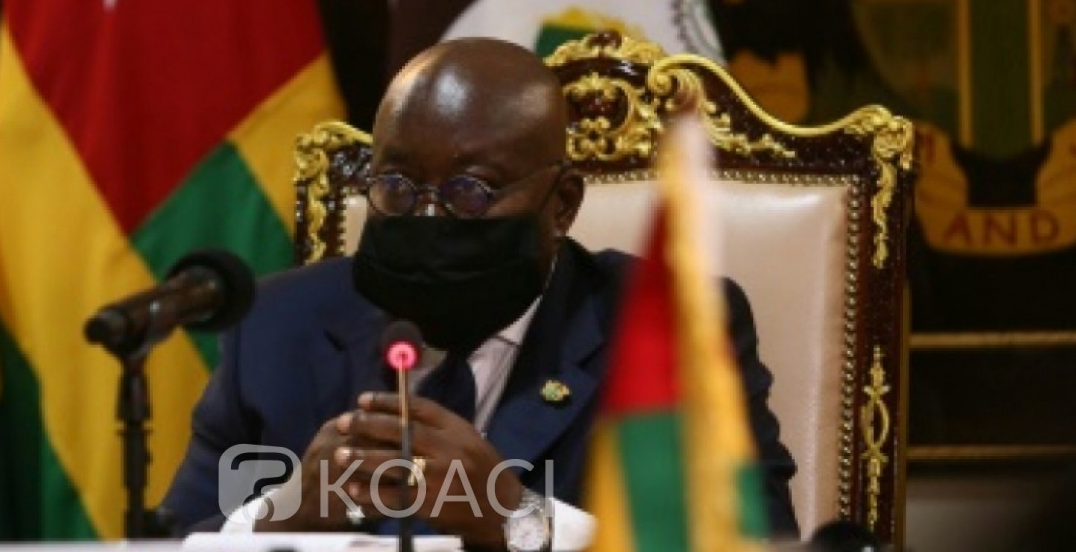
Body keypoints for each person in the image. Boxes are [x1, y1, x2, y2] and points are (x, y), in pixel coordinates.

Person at [162, 37, 799, 549]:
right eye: (397, 187)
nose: (428, 217)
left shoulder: (662, 330)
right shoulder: (275, 326)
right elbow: (171, 543)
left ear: (562, 205)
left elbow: (753, 544)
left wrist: (515, 519)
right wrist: (280, 516)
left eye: (471, 192)